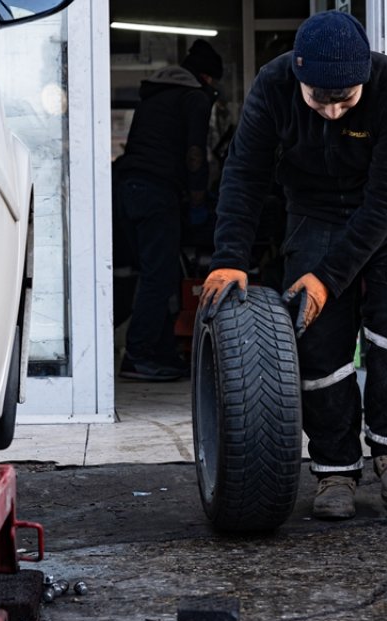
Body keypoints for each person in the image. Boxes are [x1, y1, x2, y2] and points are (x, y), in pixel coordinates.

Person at [199, 11, 387, 519]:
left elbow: (383, 203)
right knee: (313, 334)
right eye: (319, 100)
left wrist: (328, 278)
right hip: (315, 209)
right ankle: (335, 469)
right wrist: (230, 259)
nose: (332, 113)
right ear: (300, 78)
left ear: (364, 79)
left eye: (345, 100)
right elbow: (245, 174)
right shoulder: (273, 86)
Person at [114, 39, 223, 381]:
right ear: (207, 78)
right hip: (156, 192)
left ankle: (161, 352)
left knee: (155, 273)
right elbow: (194, 152)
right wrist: (198, 200)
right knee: (159, 276)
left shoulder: (156, 93)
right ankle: (140, 354)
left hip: (128, 188)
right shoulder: (194, 96)